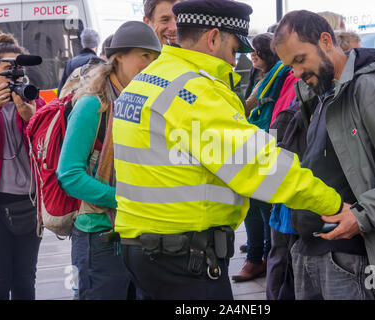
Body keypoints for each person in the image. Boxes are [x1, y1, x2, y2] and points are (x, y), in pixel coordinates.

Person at [113, 0, 352, 300]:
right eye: (233, 50)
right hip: (183, 259)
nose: (233, 61)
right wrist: (333, 205)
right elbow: (258, 166)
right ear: (213, 38)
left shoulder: (147, 80)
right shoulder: (194, 91)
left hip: (144, 250)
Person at [273, 10, 375, 300]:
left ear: (326, 40)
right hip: (307, 249)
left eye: (300, 59)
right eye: (289, 66)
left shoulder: (370, 88)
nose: (295, 73)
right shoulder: (317, 93)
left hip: (348, 259)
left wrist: (362, 216)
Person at [56, 21, 161, 300]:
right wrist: (126, 198)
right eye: (144, 55)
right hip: (99, 240)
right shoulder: (93, 104)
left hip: (139, 234)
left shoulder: (145, 102)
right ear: (118, 57)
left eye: (155, 58)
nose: (151, 64)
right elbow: (69, 174)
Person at [232, 33, 285, 283]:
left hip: (266, 144)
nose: (252, 55)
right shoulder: (266, 75)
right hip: (259, 143)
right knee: (257, 206)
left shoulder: (279, 74)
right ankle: (259, 257)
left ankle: (258, 259)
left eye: (258, 51)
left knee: (260, 206)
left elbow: (254, 109)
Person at [0, 33, 46, 300]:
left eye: (18, 72)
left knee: (25, 278)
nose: (14, 78)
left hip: (29, 201)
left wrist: (31, 117)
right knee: (0, 278)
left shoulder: (34, 101)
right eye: (7, 71)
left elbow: (50, 148)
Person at [57, 28, 100, 97]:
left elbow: (61, 90)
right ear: (97, 45)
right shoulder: (98, 62)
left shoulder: (71, 62)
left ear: (82, 43)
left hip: (72, 105)